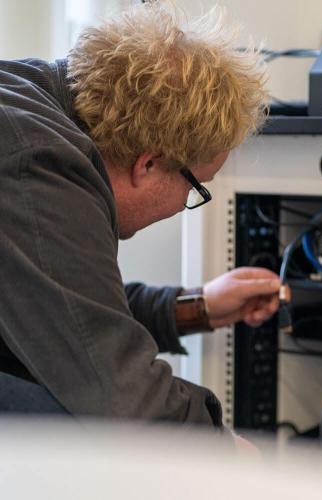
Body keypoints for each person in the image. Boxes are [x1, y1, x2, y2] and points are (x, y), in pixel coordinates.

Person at [0, 2, 281, 432]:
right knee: (69, 426)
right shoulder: (34, 163)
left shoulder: (32, 100)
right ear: (148, 163)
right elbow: (117, 394)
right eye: (194, 186)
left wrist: (195, 307)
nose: (184, 202)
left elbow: (65, 302)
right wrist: (225, 451)